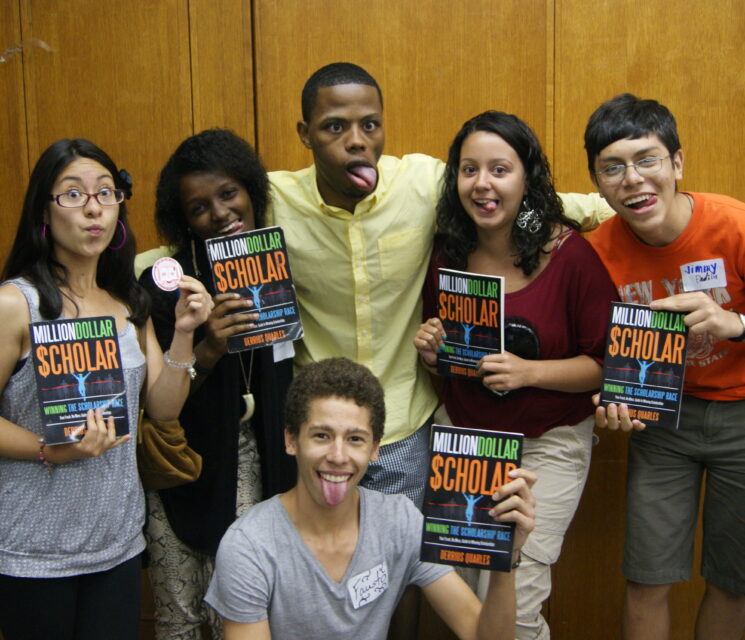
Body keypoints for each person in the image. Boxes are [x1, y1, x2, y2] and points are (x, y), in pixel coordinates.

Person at [268, 62, 616, 508]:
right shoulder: (273, 200)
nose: (356, 140)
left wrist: (646, 210)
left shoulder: (421, 184)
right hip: (318, 426)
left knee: (422, 567)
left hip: (405, 426)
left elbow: (513, 197)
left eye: (369, 125)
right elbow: (201, 225)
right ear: (305, 132)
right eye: (335, 126)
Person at [413, 110, 618, 638]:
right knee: (464, 599)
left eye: (500, 169)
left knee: (516, 605)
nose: (482, 184)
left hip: (546, 444)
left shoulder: (568, 254)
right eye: (469, 169)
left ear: (526, 177)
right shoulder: (448, 253)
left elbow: (607, 364)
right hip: (466, 441)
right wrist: (434, 350)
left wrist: (529, 372)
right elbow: (449, 353)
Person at [0, 138, 212, 640]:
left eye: (106, 193)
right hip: (33, 549)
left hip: (117, 542)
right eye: (72, 195)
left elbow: (162, 407)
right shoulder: (16, 304)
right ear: (43, 213)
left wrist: (183, 332)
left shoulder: (128, 302)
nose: (93, 208)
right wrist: (49, 450)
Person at [205, 357, 537, 640]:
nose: (338, 455)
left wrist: (506, 556)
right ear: (291, 440)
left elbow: (482, 634)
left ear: (375, 448)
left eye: (355, 439)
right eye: (322, 436)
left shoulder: (399, 521)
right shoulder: (249, 545)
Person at [586, 94, 745, 640]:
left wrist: (735, 324)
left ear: (677, 164)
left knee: (735, 581)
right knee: (647, 578)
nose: (632, 179)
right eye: (613, 167)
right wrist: (608, 400)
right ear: (598, 182)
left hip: (742, 416)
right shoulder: (595, 253)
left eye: (647, 159)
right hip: (661, 424)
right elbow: (596, 352)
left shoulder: (734, 225)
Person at [138, 129, 296, 640]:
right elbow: (157, 405)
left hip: (261, 458)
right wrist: (208, 347)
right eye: (200, 206)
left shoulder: (274, 266)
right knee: (181, 619)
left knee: (247, 609)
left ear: (250, 190)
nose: (221, 212)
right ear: (184, 221)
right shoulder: (166, 286)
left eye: (229, 193)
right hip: (187, 470)